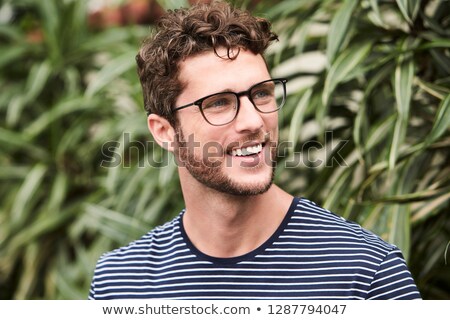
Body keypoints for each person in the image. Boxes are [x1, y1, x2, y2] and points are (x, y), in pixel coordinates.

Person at [89, 1, 421, 300]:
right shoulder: (120, 282)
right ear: (165, 132)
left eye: (261, 94)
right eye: (219, 103)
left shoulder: (365, 273)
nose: (253, 120)